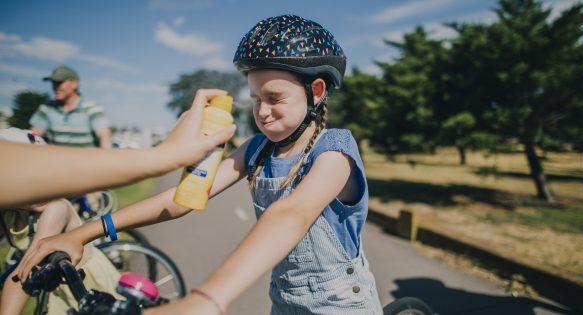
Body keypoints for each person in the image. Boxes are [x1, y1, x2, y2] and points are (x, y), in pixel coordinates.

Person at [17, 15, 383, 315]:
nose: (262, 111)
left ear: (315, 92)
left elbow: (291, 214)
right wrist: (83, 232)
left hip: (341, 306)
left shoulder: (335, 151)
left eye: (274, 98)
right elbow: (181, 199)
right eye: (255, 99)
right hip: (285, 303)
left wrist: (205, 300)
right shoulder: (257, 150)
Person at [0, 89, 236, 208]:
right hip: (68, 168)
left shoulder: (90, 108)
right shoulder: (46, 108)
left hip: (79, 168)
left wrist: (164, 156)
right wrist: (165, 156)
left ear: (73, 84)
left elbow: (104, 134)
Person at [0, 129, 121, 315]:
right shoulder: (9, 213)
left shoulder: (55, 209)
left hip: (84, 284)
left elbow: (25, 269)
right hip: (54, 287)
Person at [29, 65, 112, 148]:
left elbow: (104, 136)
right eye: (54, 83)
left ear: (75, 83)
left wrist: (107, 157)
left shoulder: (92, 107)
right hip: (55, 159)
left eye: (59, 83)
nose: (55, 87)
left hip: (86, 159)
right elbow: (34, 133)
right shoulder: (47, 107)